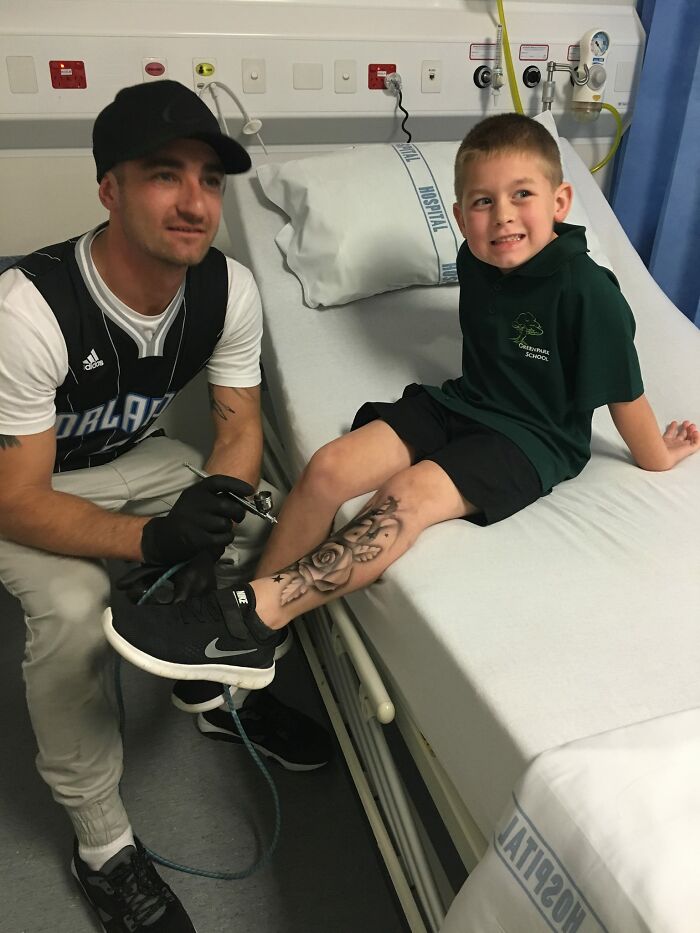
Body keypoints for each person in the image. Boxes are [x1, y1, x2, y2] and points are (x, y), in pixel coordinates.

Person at [106, 112, 699, 697]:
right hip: (464, 404)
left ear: (560, 200)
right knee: (329, 468)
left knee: (404, 497)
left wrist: (656, 456)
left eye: (523, 195)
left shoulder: (588, 292)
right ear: (461, 216)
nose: (504, 217)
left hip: (531, 439)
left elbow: (625, 391)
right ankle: (248, 633)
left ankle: (254, 612)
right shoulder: (477, 260)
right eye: (483, 203)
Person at [0, 79, 330, 933]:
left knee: (265, 515)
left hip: (120, 461)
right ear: (109, 187)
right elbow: (17, 499)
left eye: (210, 180)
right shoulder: (30, 311)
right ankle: (102, 845)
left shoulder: (227, 291)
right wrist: (154, 538)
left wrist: (213, 509)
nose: (194, 203)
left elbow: (238, 424)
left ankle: (205, 686)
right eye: (163, 175)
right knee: (74, 610)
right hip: (17, 491)